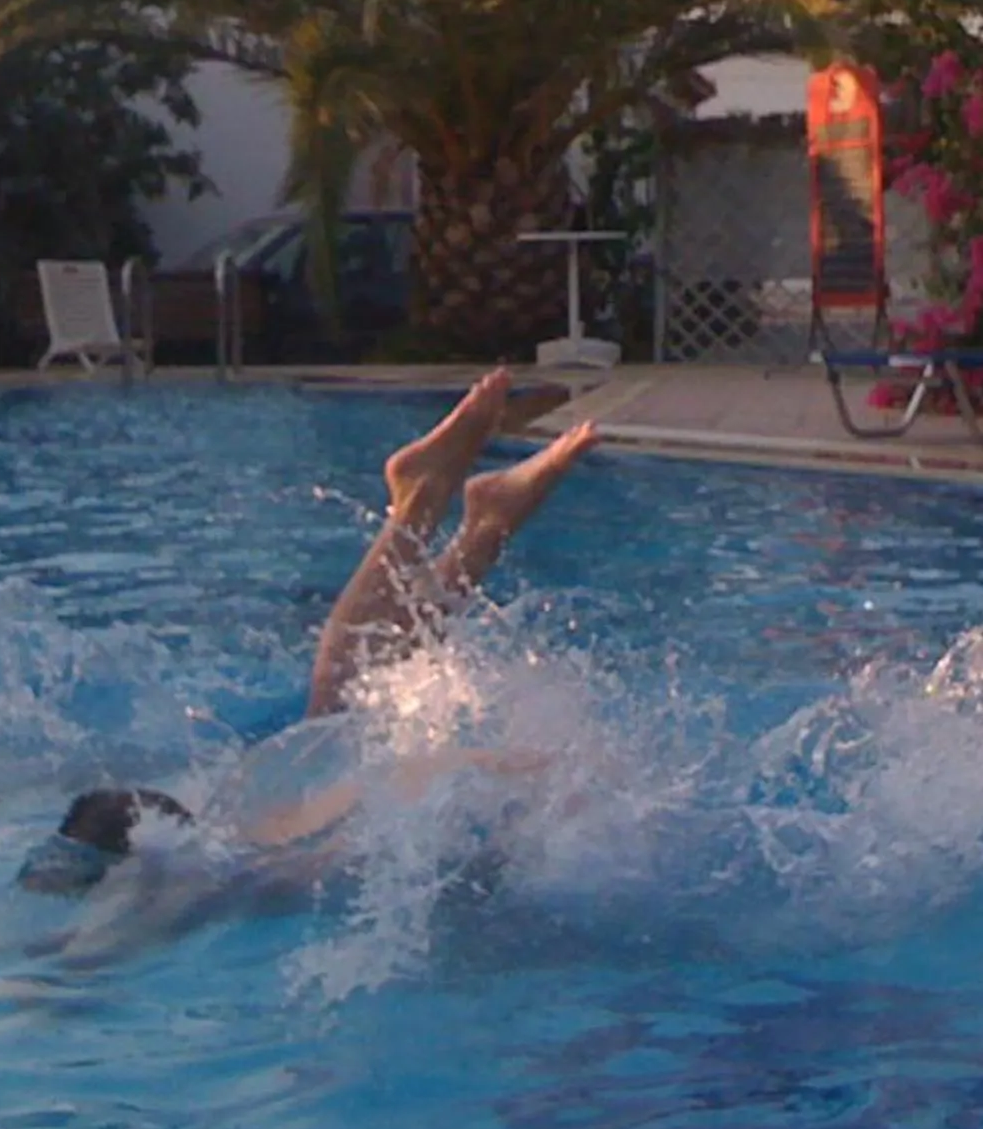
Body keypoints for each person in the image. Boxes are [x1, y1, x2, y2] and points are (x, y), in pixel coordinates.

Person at [31, 370, 597, 885]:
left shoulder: (245, 865)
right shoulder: (238, 837)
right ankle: (468, 521)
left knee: (344, 703)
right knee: (347, 701)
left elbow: (400, 780)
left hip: (316, 811)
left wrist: (529, 771)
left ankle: (441, 512)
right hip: (257, 809)